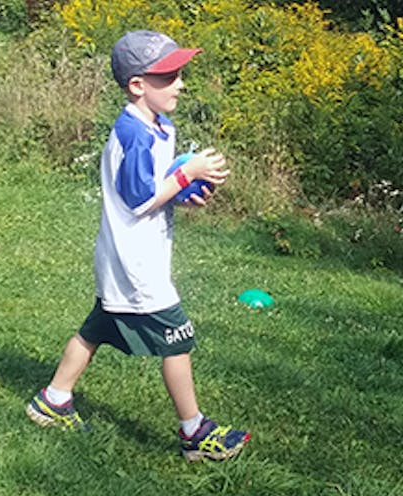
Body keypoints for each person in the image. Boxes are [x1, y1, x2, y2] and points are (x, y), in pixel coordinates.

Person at [25, 30, 249, 462]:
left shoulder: (159, 126)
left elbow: (159, 187)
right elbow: (141, 197)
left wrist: (188, 192)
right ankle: (194, 432)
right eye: (168, 76)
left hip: (127, 257)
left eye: (180, 73)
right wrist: (188, 174)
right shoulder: (133, 133)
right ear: (137, 85)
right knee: (178, 341)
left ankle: (53, 401)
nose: (180, 83)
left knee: (97, 329)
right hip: (136, 264)